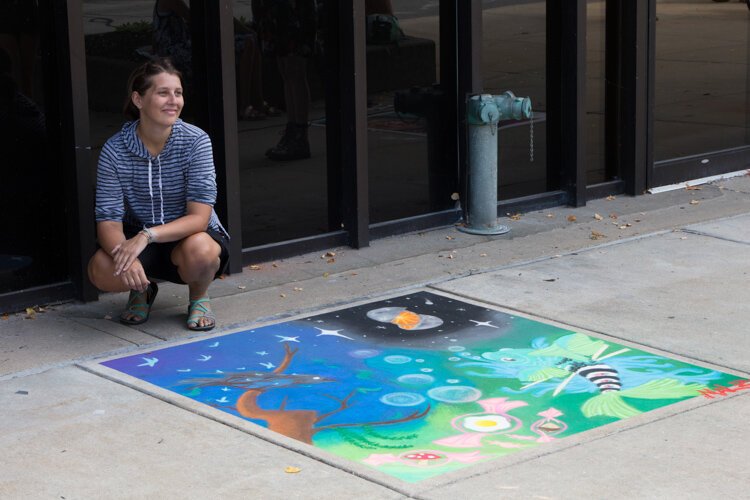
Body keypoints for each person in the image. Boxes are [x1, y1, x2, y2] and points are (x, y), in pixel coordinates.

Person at [87, 58, 230, 332]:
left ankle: (199, 297)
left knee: (202, 250)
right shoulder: (114, 150)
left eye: (178, 93)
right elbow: (108, 220)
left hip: (187, 237)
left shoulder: (196, 141)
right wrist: (124, 256)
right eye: (163, 93)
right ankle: (141, 289)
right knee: (100, 269)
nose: (173, 101)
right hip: (137, 239)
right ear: (138, 100)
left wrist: (147, 235)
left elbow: (199, 218)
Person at [152, 0, 276, 120]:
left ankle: (257, 100)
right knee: (248, 43)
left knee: (252, 41)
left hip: (184, 46)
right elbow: (197, 19)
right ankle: (245, 105)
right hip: (176, 51)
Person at [252, 0, 317, 161]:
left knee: (294, 68)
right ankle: (293, 129)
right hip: (277, 9)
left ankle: (299, 134)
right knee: (285, 69)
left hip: (291, 8)